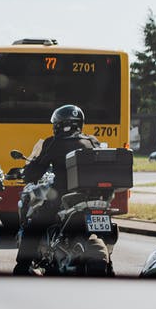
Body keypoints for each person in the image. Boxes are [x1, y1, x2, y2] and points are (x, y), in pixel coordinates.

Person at [14, 104, 102, 275]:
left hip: (63, 197)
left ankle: (22, 268)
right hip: (93, 197)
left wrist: (28, 174)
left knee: (34, 227)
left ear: (59, 125)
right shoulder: (92, 141)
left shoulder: (54, 143)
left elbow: (36, 169)